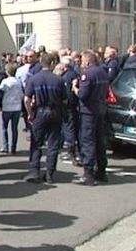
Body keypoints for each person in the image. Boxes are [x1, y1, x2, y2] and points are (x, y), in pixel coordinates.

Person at [23, 53, 67, 184]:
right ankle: (49, 174)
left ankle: (34, 171)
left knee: (36, 143)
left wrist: (30, 113)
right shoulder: (58, 80)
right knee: (53, 144)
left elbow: (27, 99)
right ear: (52, 64)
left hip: (40, 112)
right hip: (55, 112)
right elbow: (64, 100)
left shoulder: (33, 79)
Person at [73, 50, 109, 185]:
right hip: (100, 109)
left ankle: (88, 174)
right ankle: (101, 171)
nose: (82, 64)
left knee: (88, 141)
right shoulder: (103, 73)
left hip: (89, 111)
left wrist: (75, 88)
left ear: (87, 61)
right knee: (100, 141)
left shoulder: (87, 74)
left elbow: (83, 94)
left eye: (82, 61)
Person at [59, 56, 81, 165]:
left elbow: (67, 93)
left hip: (68, 106)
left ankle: (72, 152)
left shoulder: (66, 77)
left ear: (64, 65)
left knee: (70, 129)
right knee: (75, 129)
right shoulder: (76, 74)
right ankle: (77, 152)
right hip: (76, 106)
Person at [0, 63, 24, 154]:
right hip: (17, 107)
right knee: (14, 128)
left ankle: (5, 146)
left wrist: (0, 104)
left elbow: (0, 94)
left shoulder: (4, 82)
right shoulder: (18, 81)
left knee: (4, 127)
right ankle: (14, 147)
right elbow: (21, 94)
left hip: (7, 106)